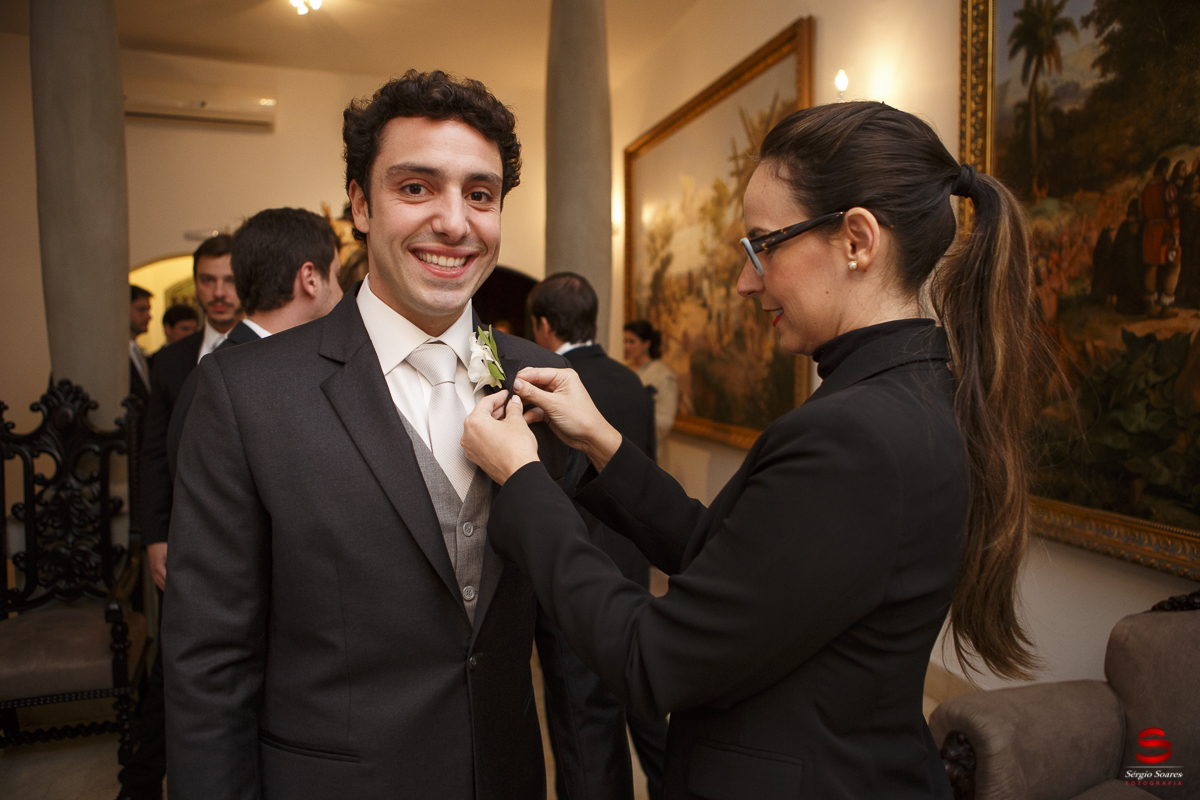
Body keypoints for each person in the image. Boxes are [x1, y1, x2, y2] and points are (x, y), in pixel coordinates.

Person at [462, 101, 1048, 799]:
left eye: (763, 245)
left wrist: (523, 478)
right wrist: (603, 442)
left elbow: (650, 660)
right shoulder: (909, 396)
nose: (746, 281)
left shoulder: (855, 436)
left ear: (857, 239)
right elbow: (730, 559)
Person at [163, 70, 580, 800]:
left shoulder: (542, 382)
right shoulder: (246, 394)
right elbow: (210, 666)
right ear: (359, 204)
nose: (454, 222)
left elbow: (571, 631)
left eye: (479, 194)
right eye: (416, 188)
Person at [527, 273, 668, 800]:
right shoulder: (630, 381)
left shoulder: (546, 382)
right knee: (641, 702)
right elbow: (643, 471)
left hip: (576, 577)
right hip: (631, 563)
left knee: (583, 722)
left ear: (542, 324)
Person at [118, 234, 237, 800]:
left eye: (229, 280)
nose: (218, 293)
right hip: (183, 543)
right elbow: (152, 458)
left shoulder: (275, 347)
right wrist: (154, 537)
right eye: (208, 281)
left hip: (245, 537)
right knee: (176, 665)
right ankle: (142, 783)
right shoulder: (168, 364)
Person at [623, 320, 677, 459]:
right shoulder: (624, 369)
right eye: (624, 341)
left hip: (644, 451)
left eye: (631, 341)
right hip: (621, 445)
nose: (626, 346)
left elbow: (665, 420)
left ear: (646, 343)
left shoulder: (663, 375)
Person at [1140, 157, 1181, 317]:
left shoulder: (1146, 189)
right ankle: (1166, 307)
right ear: (1165, 169)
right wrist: (1176, 238)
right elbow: (1173, 215)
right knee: (1174, 265)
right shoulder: (1167, 188)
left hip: (1149, 232)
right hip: (1164, 232)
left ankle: (1150, 306)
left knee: (1151, 267)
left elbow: (1142, 214)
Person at [129, 285, 153, 408]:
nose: (149, 316)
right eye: (141, 309)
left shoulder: (138, 351)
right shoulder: (115, 355)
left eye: (148, 310)